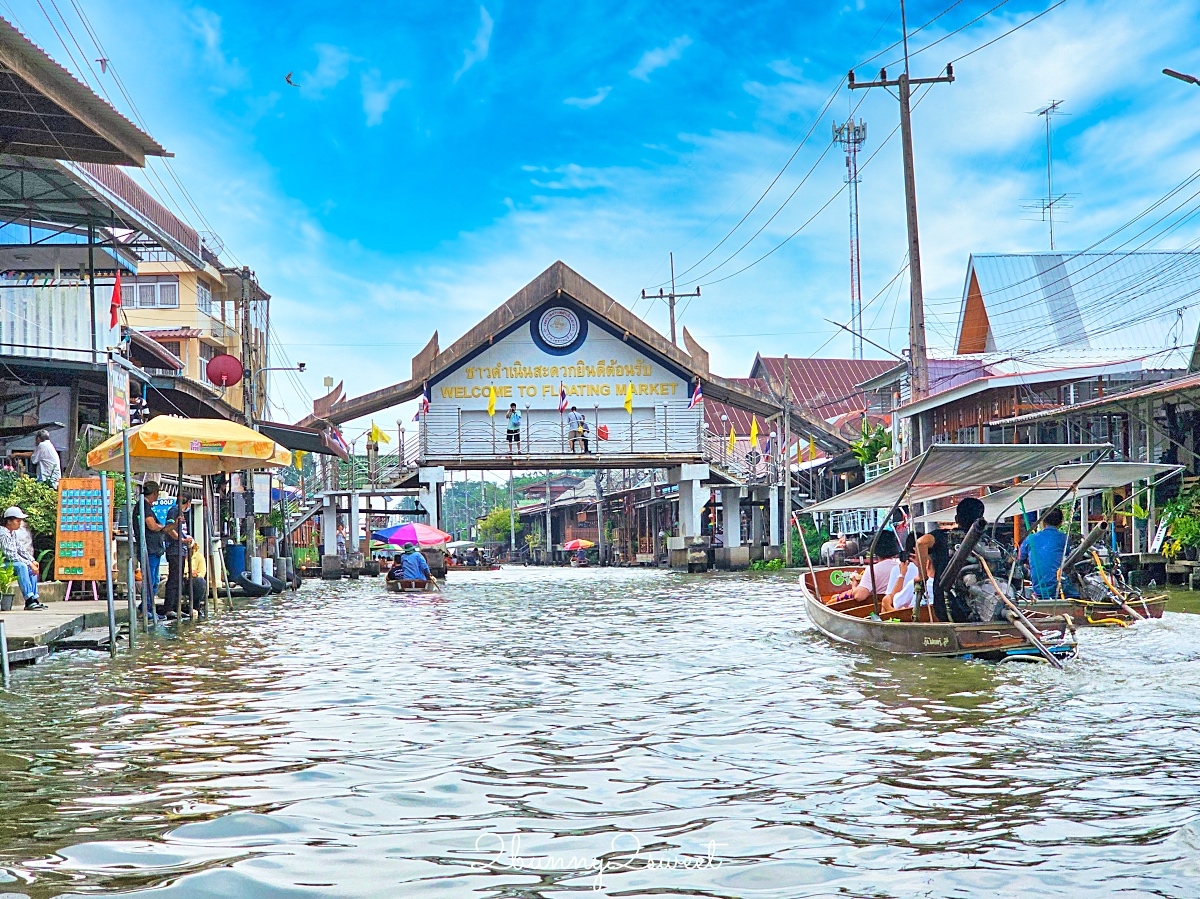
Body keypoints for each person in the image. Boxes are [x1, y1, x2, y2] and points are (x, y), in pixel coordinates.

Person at [829, 530, 901, 604]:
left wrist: (854, 585)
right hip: (899, 608)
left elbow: (859, 596)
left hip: (877, 610)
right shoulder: (902, 568)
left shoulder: (872, 570)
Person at [1019, 507, 1077, 599]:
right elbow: (1069, 559)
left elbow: (1019, 560)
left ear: (1042, 522)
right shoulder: (1064, 538)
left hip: (1039, 590)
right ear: (1061, 522)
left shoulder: (1030, 539)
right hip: (1061, 589)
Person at [0, 506, 44, 609]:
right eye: (17, 520)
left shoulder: (12, 533)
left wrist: (32, 560)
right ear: (9, 521)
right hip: (4, 563)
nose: (19, 523)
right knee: (22, 566)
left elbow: (20, 549)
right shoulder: (3, 534)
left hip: (11, 562)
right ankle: (28, 599)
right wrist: (29, 563)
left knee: (30, 569)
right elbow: (10, 555)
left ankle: (34, 598)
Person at [135, 481, 167, 611]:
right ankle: (146, 608)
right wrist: (160, 526)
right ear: (154, 493)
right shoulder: (144, 507)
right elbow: (152, 526)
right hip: (149, 549)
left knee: (154, 580)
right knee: (150, 580)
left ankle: (147, 607)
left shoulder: (145, 506)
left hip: (153, 549)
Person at [162, 495, 194, 620]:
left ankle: (175, 607)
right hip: (175, 550)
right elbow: (170, 530)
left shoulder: (179, 512)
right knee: (174, 579)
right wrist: (182, 540)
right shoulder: (174, 511)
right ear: (189, 502)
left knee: (178, 579)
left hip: (180, 550)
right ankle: (169, 608)